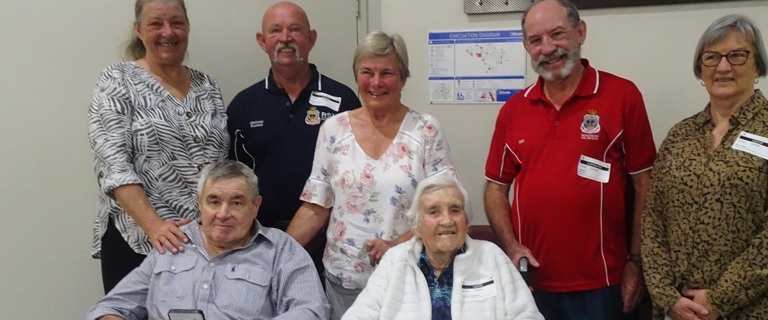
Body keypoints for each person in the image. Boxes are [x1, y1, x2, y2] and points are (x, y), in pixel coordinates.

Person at [483, 0, 657, 318]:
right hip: (532, 282)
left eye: (557, 34)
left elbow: (644, 184)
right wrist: (511, 246)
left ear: (580, 32)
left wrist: (637, 261)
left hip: (603, 283)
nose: (548, 48)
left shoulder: (622, 96)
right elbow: (495, 188)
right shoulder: (513, 110)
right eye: (536, 40)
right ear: (526, 47)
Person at [286, 30, 457, 319]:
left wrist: (395, 246)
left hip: (409, 277)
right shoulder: (333, 130)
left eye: (386, 73)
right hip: (344, 282)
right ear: (357, 76)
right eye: (367, 72)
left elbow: (446, 212)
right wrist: (277, 252)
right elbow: (316, 205)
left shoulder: (425, 131)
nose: (376, 82)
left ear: (402, 77)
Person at [88, 0, 228, 293]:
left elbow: (220, 165)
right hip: (139, 242)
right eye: (156, 24)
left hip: (203, 243)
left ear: (187, 28)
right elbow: (113, 166)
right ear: (138, 30)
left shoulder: (207, 86)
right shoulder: (116, 81)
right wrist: (155, 227)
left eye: (177, 23)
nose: (168, 32)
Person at [84, 160, 329, 320]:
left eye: (237, 202)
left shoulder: (280, 249)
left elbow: (311, 310)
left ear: (256, 206)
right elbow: (109, 308)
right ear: (199, 203)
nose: (223, 213)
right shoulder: (172, 244)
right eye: (214, 201)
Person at [642, 14, 768, 320]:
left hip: (751, 309)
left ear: (758, 66)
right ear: (700, 69)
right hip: (678, 309)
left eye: (737, 55)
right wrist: (667, 297)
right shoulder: (680, 135)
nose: (723, 67)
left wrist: (719, 298)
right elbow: (653, 218)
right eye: (711, 57)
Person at [227, 1, 361, 279]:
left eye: (295, 30)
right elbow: (232, 178)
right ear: (262, 41)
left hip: (329, 244)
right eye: (275, 30)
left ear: (311, 39)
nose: (285, 38)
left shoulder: (343, 101)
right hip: (259, 242)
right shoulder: (243, 105)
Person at [342, 174, 544, 320]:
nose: (447, 221)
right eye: (434, 212)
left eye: (455, 210)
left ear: (466, 221)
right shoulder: (396, 260)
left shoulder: (492, 256)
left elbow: (527, 315)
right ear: (417, 227)